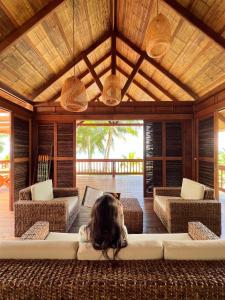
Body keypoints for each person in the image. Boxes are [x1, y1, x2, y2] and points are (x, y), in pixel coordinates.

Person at [79, 193, 128, 259]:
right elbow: (121, 226)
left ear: (94, 214)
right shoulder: (121, 233)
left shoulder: (84, 231)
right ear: (116, 216)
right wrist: (121, 213)